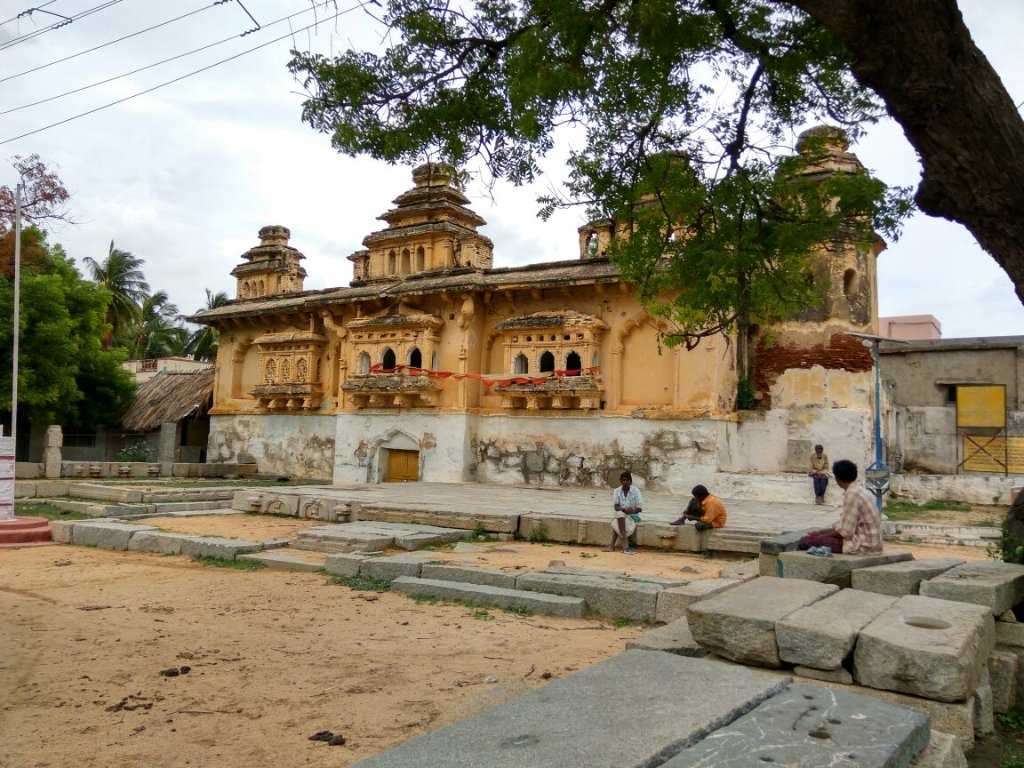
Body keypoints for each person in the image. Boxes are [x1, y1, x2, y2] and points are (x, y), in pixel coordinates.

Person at [798, 459, 882, 554]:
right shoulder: (861, 490)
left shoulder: (852, 494)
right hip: (873, 543)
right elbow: (843, 525)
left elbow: (845, 532)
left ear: (837, 478)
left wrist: (820, 537)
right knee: (815, 537)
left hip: (862, 546)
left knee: (806, 541)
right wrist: (821, 532)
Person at [610, 471, 642, 554]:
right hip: (622, 515)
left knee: (617, 521)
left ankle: (611, 545)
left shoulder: (636, 491)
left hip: (633, 516)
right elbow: (616, 507)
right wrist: (623, 509)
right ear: (620, 481)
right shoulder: (617, 491)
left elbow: (640, 508)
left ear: (630, 481)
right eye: (623, 480)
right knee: (620, 515)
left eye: (627, 480)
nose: (625, 482)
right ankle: (625, 545)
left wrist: (632, 510)